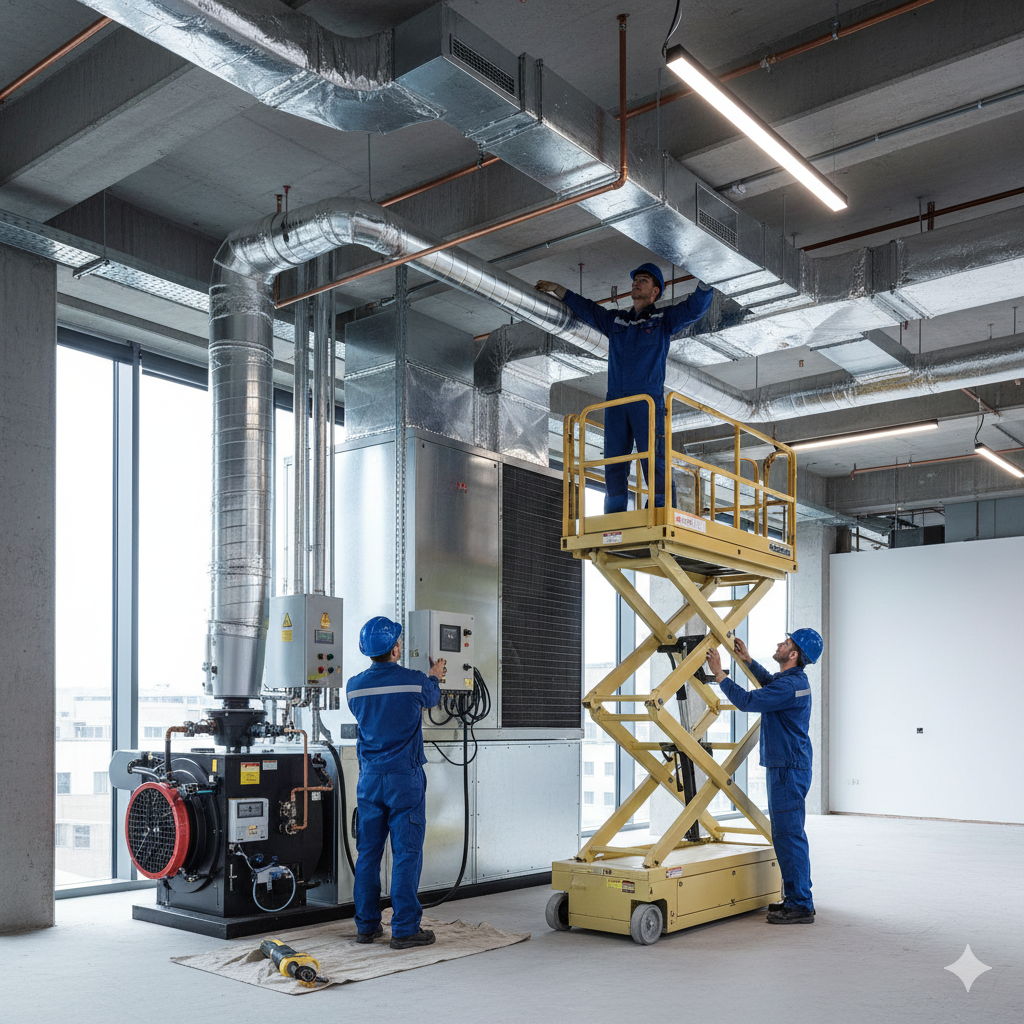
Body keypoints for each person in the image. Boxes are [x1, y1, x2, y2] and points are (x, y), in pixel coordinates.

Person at [536, 264, 714, 513]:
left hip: (647, 401)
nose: (636, 282)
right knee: (613, 461)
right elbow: (588, 310)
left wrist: (707, 283)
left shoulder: (663, 320)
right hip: (616, 403)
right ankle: (614, 513)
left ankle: (662, 511)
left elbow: (694, 309)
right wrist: (559, 290)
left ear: (655, 291)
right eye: (635, 279)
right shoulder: (617, 320)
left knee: (654, 458)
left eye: (643, 280)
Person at [706, 627, 824, 925]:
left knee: (788, 835)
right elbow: (770, 683)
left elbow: (748, 701)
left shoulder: (789, 686)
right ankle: (797, 897)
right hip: (789, 764)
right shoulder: (793, 681)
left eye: (785, 643)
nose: (779, 644)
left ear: (794, 654)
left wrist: (720, 674)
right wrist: (746, 660)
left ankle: (800, 904)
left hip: (787, 768)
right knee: (788, 834)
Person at [346, 615, 446, 949]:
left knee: (368, 855)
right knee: (405, 854)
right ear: (396, 647)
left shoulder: (354, 686)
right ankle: (404, 929)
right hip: (405, 778)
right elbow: (432, 698)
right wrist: (436, 675)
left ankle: (367, 927)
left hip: (370, 780)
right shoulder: (415, 681)